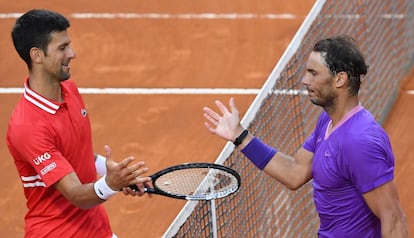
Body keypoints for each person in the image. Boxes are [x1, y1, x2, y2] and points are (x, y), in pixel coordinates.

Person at [202, 35, 408, 237]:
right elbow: (295, 172)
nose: (304, 80)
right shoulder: (327, 122)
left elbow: (394, 220)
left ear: (340, 79)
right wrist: (240, 135)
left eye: (313, 73)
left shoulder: (358, 142)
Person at [6, 9, 151, 238]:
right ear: (37, 55)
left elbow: (74, 155)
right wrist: (111, 184)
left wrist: (115, 172)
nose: (72, 54)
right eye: (62, 48)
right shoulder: (28, 126)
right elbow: (75, 194)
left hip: (97, 229)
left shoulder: (70, 91)